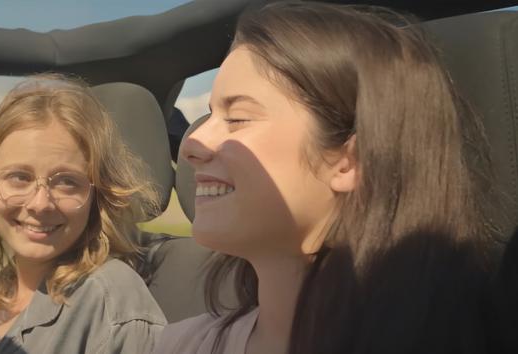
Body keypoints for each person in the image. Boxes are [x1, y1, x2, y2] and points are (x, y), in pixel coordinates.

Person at [154, 2, 505, 354]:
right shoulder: (178, 344)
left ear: (349, 162)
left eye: (238, 118)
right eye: (211, 114)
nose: (191, 145)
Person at [0, 74, 166, 354]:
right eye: (19, 177)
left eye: (67, 181)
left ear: (98, 195)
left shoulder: (111, 302)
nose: (40, 204)